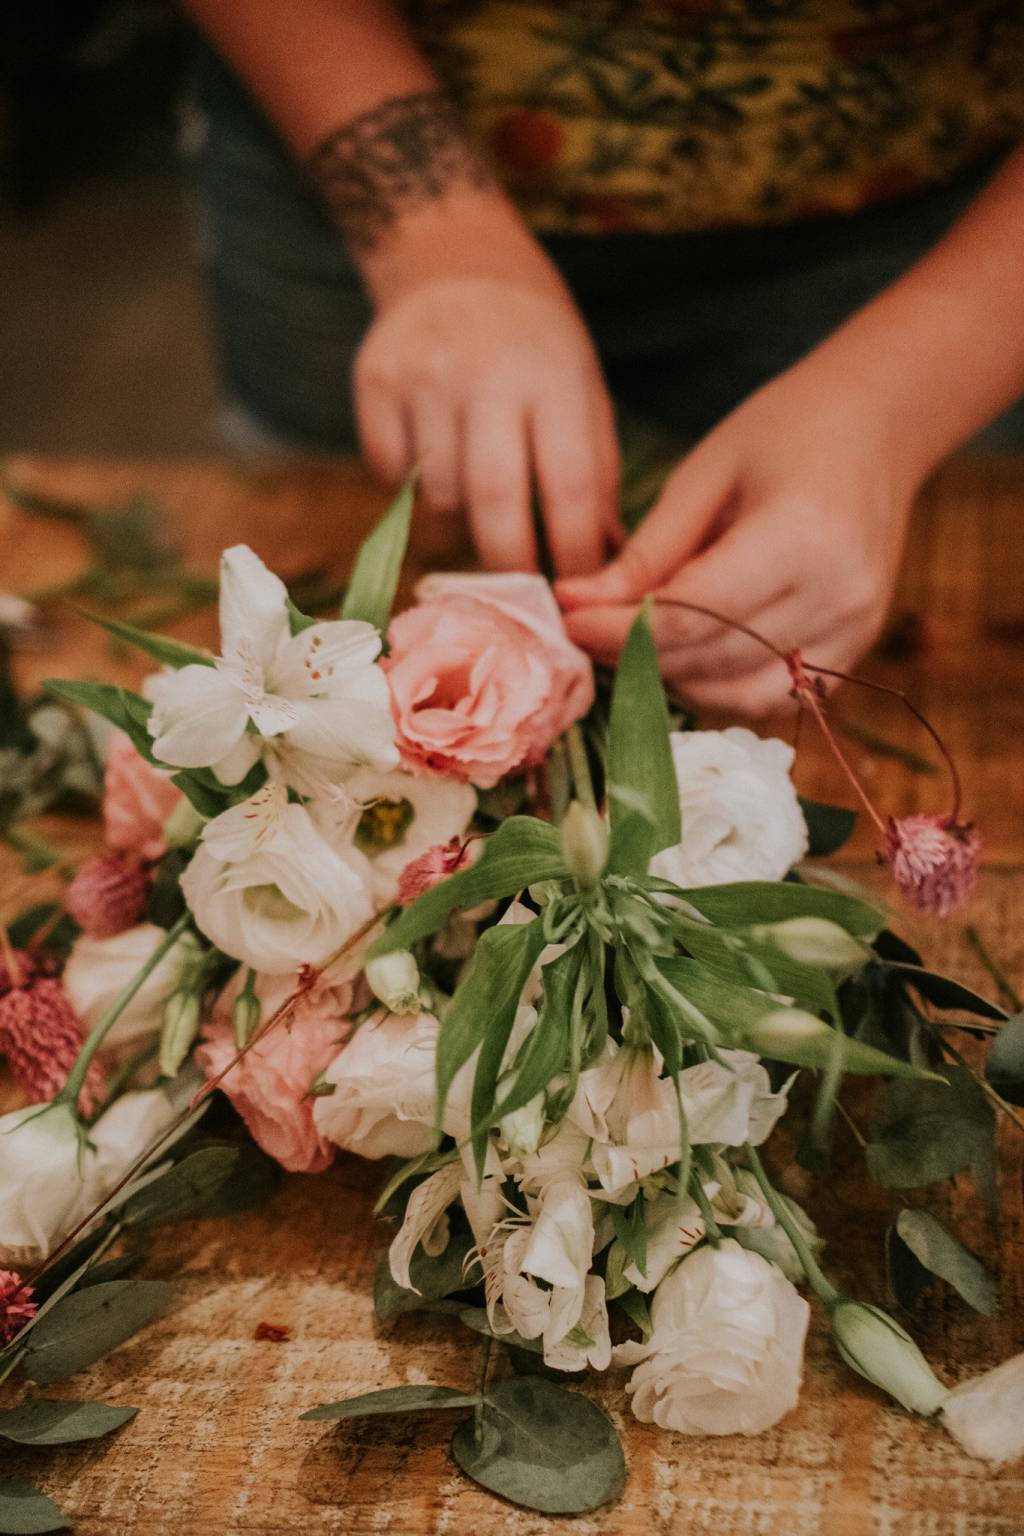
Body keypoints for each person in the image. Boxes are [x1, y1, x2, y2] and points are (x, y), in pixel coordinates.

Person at [181, 0, 1024, 714]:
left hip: (927, 229)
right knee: (310, 628)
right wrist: (434, 238)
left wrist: (889, 408)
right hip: (341, 127)